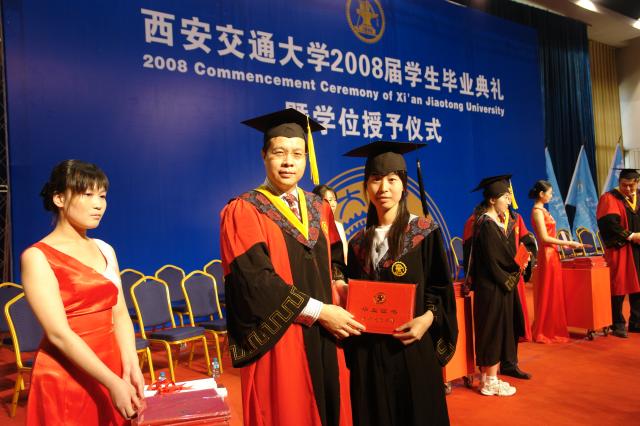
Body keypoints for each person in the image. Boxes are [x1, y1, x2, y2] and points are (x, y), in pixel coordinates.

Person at [219, 108, 364, 426]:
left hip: (328, 334)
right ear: (264, 155)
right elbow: (255, 282)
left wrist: (341, 286)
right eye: (279, 152)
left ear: (306, 158)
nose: (289, 162)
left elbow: (335, 260)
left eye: (297, 154)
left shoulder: (319, 207)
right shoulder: (244, 210)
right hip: (282, 338)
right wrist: (321, 312)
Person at [343, 141, 458, 426]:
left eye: (392, 180)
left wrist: (426, 320)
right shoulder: (358, 243)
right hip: (369, 356)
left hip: (411, 349)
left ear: (404, 186)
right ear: (366, 187)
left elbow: (440, 289)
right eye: (375, 179)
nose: (383, 188)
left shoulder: (423, 232)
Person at [21, 160, 144, 424]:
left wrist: (131, 363)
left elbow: (120, 313)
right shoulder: (37, 256)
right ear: (59, 199)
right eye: (87, 195)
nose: (98, 204)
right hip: (66, 372)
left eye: (102, 196)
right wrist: (111, 382)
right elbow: (58, 334)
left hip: (111, 363)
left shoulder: (105, 249)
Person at [462, 175, 534, 380]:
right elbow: (472, 253)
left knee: (510, 322)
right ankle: (489, 374)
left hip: (512, 278)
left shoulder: (514, 218)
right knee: (493, 325)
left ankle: (510, 363)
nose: (509, 200)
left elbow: (527, 241)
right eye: (506, 196)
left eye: (509, 196)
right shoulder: (478, 221)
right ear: (493, 199)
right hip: (494, 279)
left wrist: (528, 257)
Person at [529, 180, 583, 343]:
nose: (551, 196)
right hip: (547, 254)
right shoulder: (537, 211)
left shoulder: (543, 210)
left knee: (554, 291)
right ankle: (545, 330)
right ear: (541, 194)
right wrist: (568, 243)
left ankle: (552, 327)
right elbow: (544, 238)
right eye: (550, 193)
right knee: (549, 291)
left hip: (552, 253)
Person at [596, 168, 640, 338]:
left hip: (637, 248)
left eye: (631, 185)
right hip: (619, 248)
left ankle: (636, 321)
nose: (627, 189)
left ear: (637, 183)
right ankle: (617, 323)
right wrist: (631, 236)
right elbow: (608, 224)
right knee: (618, 286)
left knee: (638, 285)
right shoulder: (609, 198)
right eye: (624, 185)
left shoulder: (638, 197)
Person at [313, 184, 348, 262]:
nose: (333, 204)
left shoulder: (339, 226)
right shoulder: (312, 225)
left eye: (335, 200)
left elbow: (344, 254)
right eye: (329, 200)